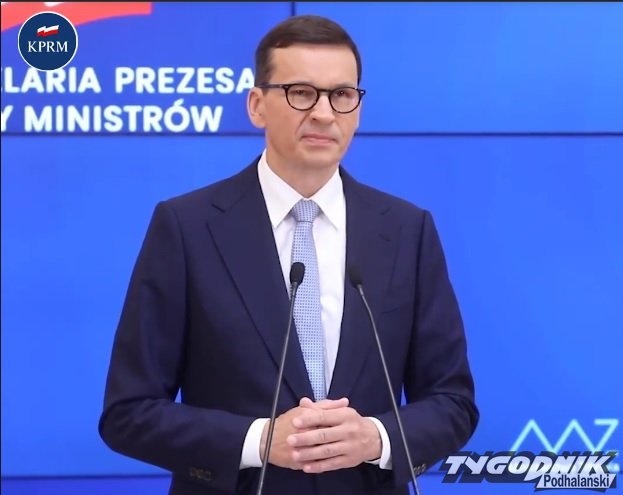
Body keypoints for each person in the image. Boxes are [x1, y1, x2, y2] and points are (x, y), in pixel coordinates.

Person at [99, 14, 479, 495]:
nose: (323, 113)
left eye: (342, 95)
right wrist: (258, 441)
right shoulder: (187, 227)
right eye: (301, 93)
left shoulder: (407, 230)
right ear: (257, 106)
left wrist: (377, 438)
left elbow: (452, 402)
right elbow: (128, 412)